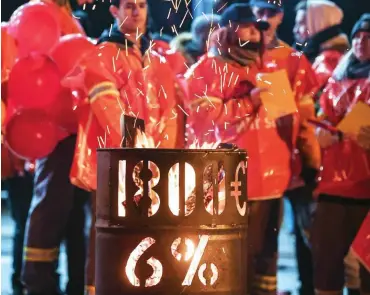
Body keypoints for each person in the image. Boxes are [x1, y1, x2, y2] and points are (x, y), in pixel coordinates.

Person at [185, 3, 319, 295]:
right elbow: (205, 124)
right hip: (229, 182)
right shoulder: (206, 70)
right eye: (245, 26)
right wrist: (249, 102)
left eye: (255, 28)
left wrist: (306, 159)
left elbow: (288, 123)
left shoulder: (270, 67)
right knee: (235, 256)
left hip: (274, 180)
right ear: (227, 30)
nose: (253, 34)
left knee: (266, 257)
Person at [66, 0, 185, 293]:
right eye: (129, 5)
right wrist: (139, 150)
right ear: (114, 12)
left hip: (150, 166)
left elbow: (169, 112)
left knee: (143, 236)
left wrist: (163, 160)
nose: (136, 11)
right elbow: (108, 108)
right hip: (113, 164)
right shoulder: (101, 55)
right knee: (106, 236)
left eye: (142, 5)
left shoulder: (156, 59)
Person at [20, 1, 92, 295]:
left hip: (75, 131)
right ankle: (38, 284)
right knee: (50, 211)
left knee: (72, 214)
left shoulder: (66, 16)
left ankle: (73, 282)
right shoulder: (41, 13)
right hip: (55, 130)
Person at [250, 1, 320, 294]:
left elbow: (300, 121)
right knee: (253, 239)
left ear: (281, 16)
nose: (265, 19)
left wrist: (311, 161)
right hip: (246, 166)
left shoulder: (291, 59)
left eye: (271, 12)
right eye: (259, 12)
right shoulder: (238, 55)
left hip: (282, 166)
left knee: (284, 238)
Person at [313, 13, 370, 295]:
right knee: (327, 262)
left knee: (364, 267)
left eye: (368, 36)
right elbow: (324, 116)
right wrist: (319, 133)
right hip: (333, 184)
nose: (361, 41)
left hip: (366, 188)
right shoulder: (338, 79)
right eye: (358, 35)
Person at [1, 23, 34, 295]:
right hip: (17, 158)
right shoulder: (9, 81)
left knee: (28, 221)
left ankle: (23, 278)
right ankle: (20, 279)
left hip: (30, 155)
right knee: (25, 220)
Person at [294, 0, 350, 92]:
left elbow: (306, 95)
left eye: (301, 23)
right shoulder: (317, 54)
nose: (295, 30)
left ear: (318, 24)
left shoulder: (330, 59)